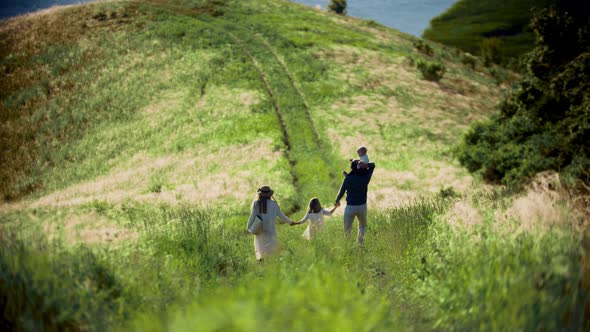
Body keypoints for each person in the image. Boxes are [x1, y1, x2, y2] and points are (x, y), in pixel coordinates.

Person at [246, 186, 295, 261]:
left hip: (259, 230)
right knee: (271, 249)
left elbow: (252, 216)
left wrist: (248, 227)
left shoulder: (256, 203)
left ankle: (261, 263)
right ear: (270, 195)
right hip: (271, 230)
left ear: (260, 194)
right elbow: (281, 216)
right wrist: (290, 222)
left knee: (261, 250)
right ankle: (271, 265)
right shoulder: (274, 204)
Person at [335, 160, 376, 244]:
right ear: (361, 167)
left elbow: (342, 191)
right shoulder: (366, 178)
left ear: (351, 168)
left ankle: (348, 247)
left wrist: (337, 200)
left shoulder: (348, 178)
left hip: (350, 207)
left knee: (347, 230)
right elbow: (373, 165)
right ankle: (360, 246)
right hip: (362, 206)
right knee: (362, 227)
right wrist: (366, 165)